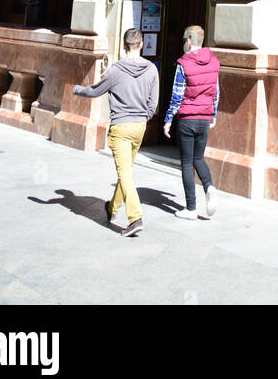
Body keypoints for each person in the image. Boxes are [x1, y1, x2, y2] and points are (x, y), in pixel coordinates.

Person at [73, 27, 159, 237]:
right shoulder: (152, 69)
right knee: (126, 170)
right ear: (141, 45)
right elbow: (153, 104)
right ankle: (112, 208)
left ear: (123, 45)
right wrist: (144, 117)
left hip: (121, 126)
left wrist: (77, 90)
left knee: (124, 172)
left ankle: (135, 217)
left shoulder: (116, 70)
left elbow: (95, 91)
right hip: (139, 127)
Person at [163, 24, 220, 220]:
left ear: (188, 40)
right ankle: (209, 186)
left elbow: (177, 94)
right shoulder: (214, 62)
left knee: (187, 162)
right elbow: (216, 91)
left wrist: (168, 118)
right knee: (198, 158)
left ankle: (191, 208)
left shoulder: (183, 63)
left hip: (187, 118)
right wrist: (213, 114)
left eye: (184, 40)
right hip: (204, 118)